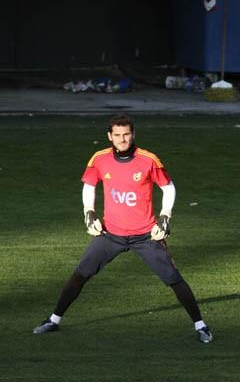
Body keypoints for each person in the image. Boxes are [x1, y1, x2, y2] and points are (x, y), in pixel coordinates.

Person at [33, 115, 212, 343]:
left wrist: (165, 216)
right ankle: (53, 320)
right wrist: (89, 211)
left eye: (126, 134)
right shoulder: (99, 158)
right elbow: (89, 185)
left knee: (173, 279)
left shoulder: (148, 160)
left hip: (146, 235)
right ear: (110, 136)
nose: (122, 139)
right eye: (117, 135)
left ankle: (201, 326)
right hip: (111, 234)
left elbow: (168, 188)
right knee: (80, 274)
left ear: (133, 134)